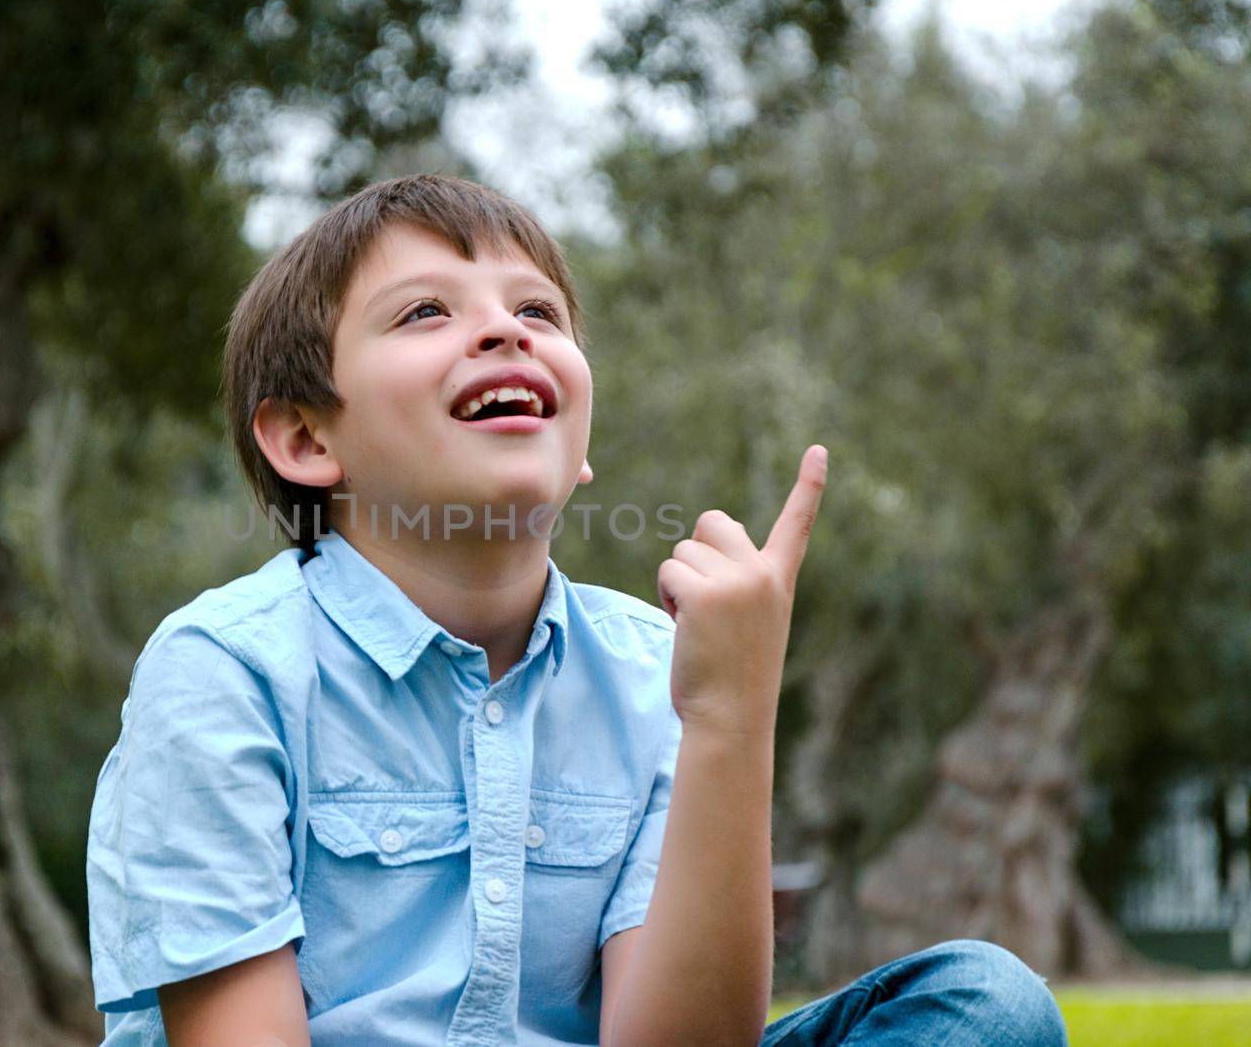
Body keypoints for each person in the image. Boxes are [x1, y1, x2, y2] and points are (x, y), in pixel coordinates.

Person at [84, 174, 1068, 1045]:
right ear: (304, 437)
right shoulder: (223, 673)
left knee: (985, 1004)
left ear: (576, 439)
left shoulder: (653, 671)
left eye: (538, 313)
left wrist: (731, 716)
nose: (506, 329)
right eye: (425, 311)